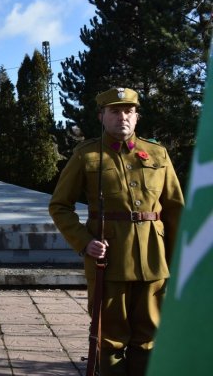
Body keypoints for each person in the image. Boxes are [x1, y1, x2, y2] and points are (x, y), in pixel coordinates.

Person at [49, 87, 185, 376]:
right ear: (102, 116)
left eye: (128, 111)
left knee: (149, 339)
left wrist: (176, 261)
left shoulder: (158, 154)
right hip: (108, 262)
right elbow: (60, 205)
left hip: (153, 260)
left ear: (136, 117)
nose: (122, 117)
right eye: (115, 111)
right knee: (109, 340)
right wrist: (85, 242)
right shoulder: (87, 156)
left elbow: (174, 210)